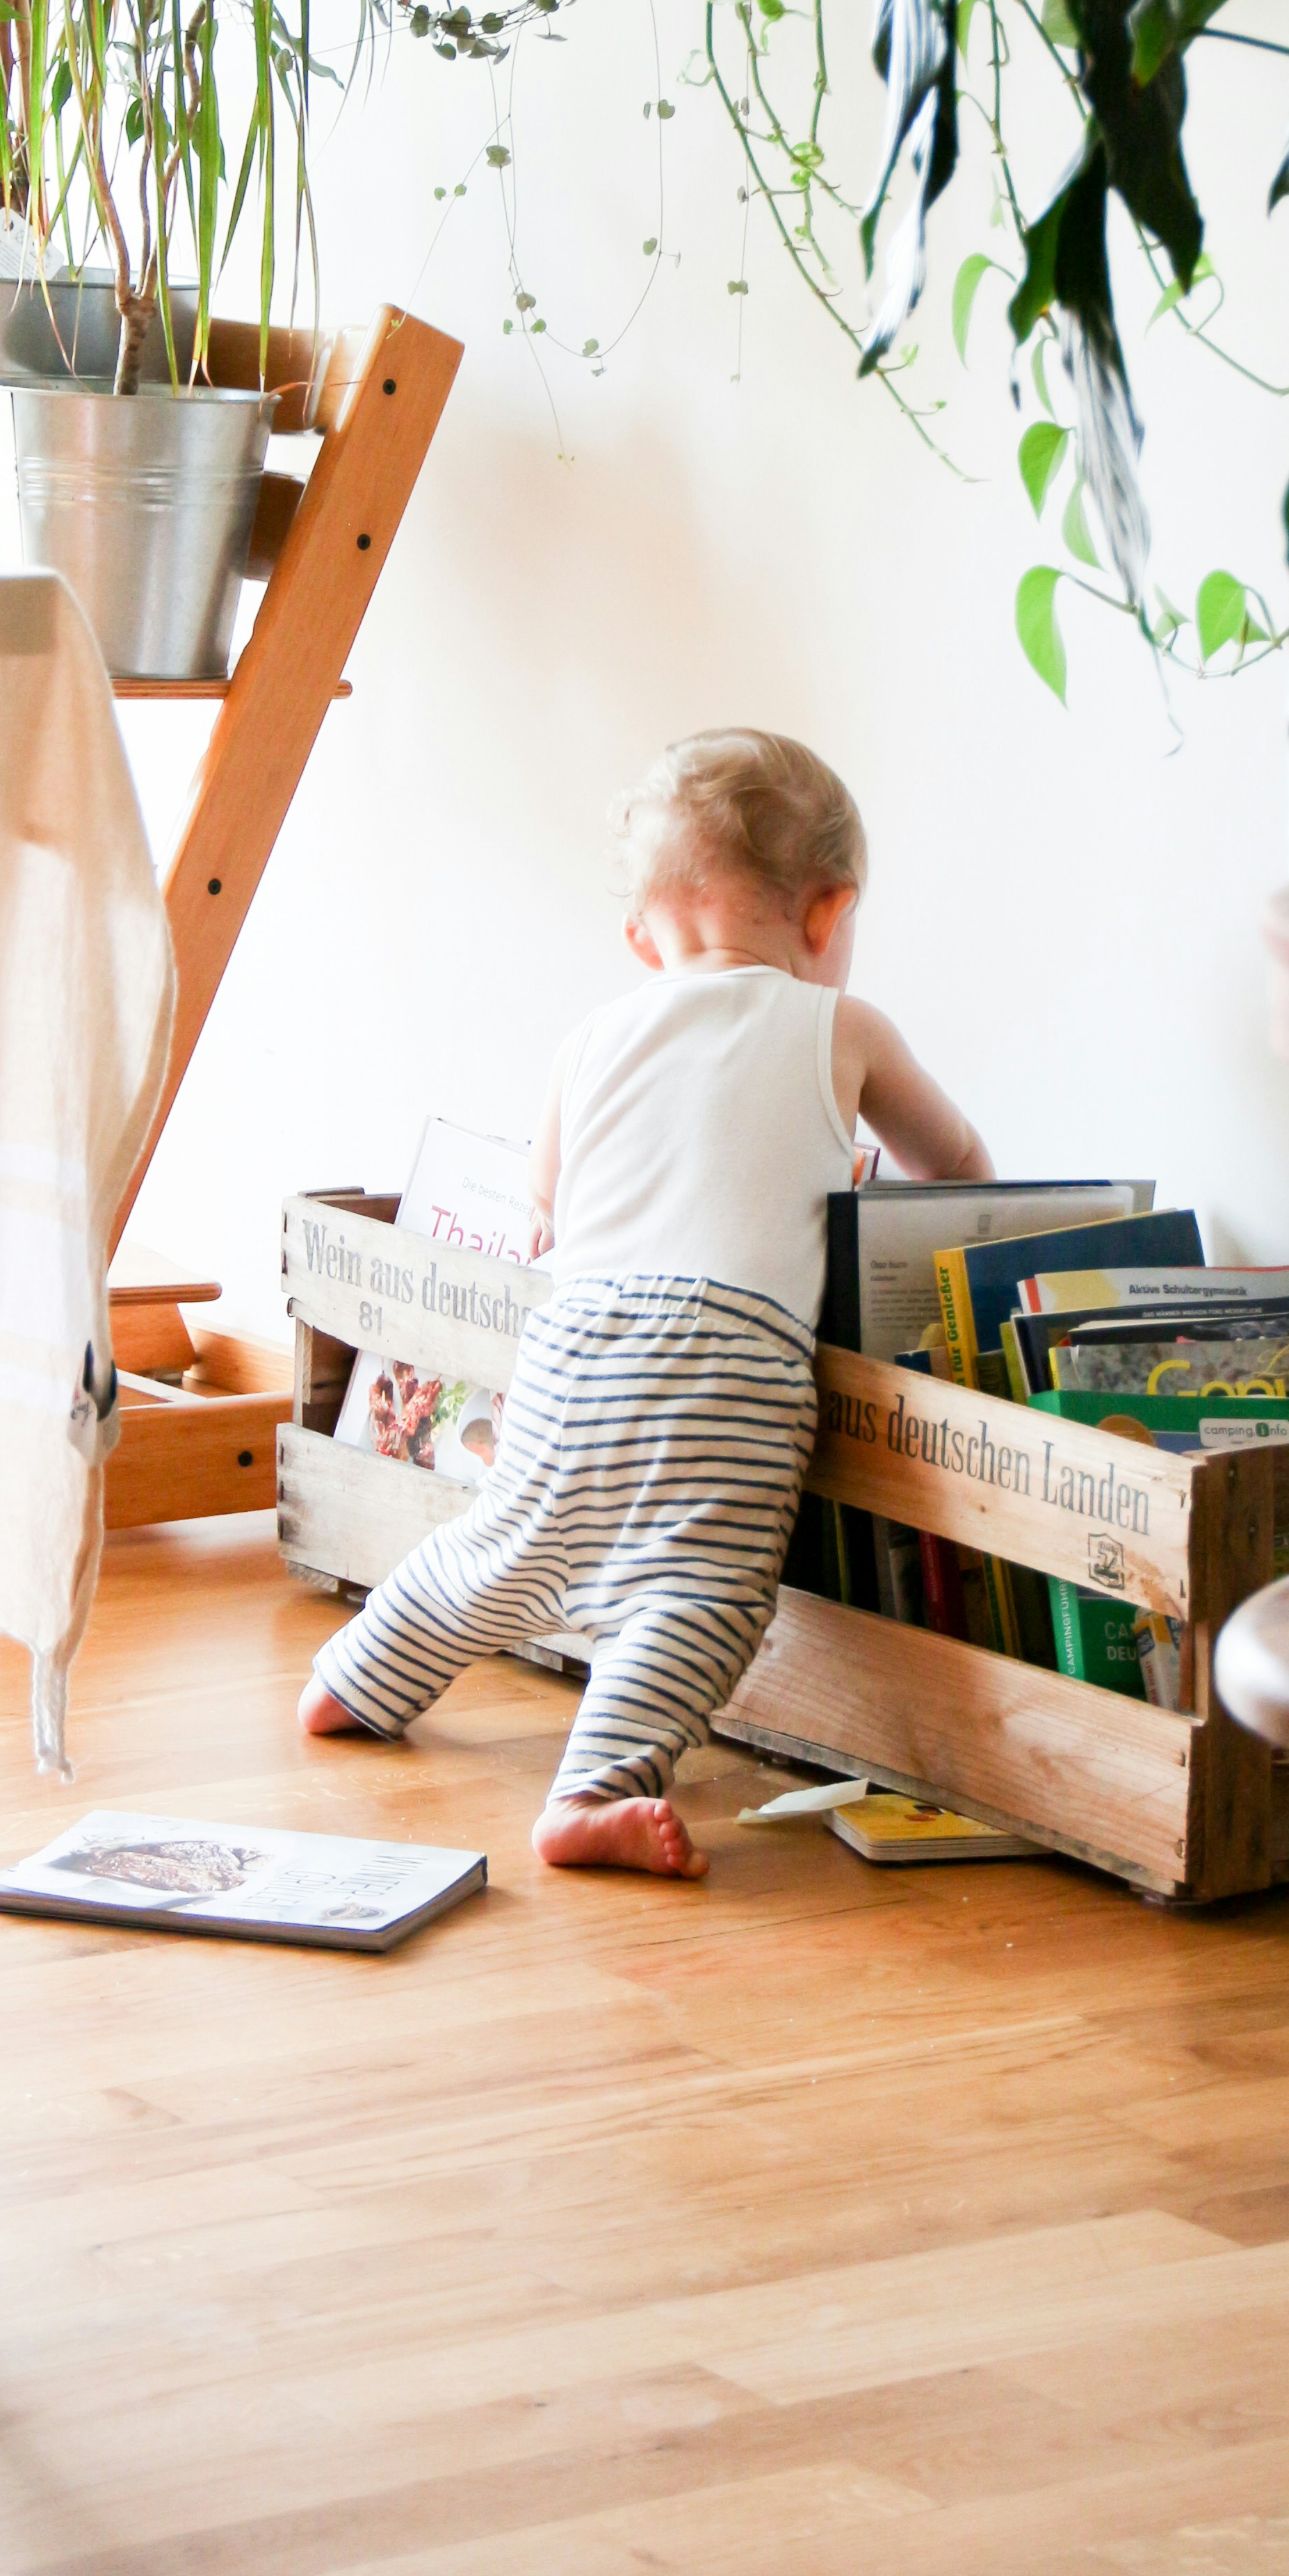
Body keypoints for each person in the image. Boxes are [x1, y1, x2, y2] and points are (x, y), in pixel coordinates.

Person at [299, 728, 993, 1878]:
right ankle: (593, 1790)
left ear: (642, 936)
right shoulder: (843, 1028)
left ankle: (355, 1680)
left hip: (577, 1341)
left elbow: (546, 1207)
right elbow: (958, 1169)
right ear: (828, 916)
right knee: (703, 1590)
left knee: (509, 1544)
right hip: (732, 1358)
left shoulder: (590, 1038)